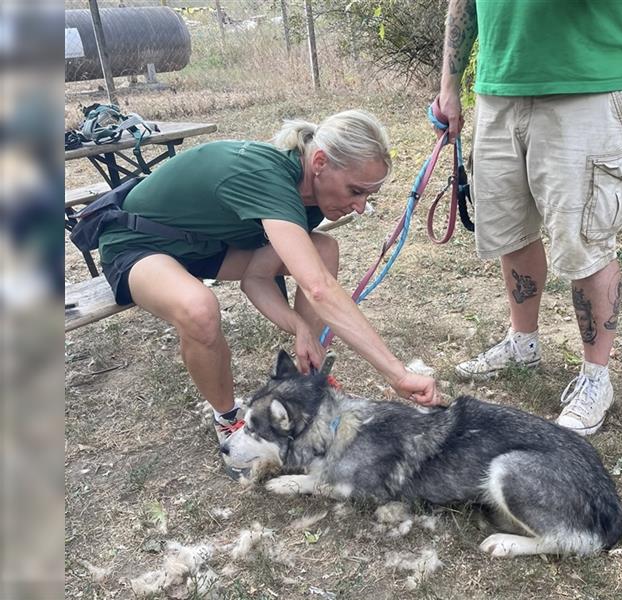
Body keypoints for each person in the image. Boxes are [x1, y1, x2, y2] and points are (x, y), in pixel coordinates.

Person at [96, 110, 442, 476]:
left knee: (324, 250)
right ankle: (228, 419)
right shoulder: (269, 177)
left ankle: (305, 372)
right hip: (137, 242)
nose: (358, 207)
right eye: (355, 191)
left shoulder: (309, 193)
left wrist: (300, 328)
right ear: (320, 162)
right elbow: (319, 288)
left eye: (367, 195)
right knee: (198, 308)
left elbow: (256, 279)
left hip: (204, 246)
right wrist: (397, 373)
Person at [437, 1, 622, 435]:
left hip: (587, 85)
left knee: (585, 242)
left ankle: (596, 379)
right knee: (510, 230)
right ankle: (523, 343)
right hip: (499, 86)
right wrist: (449, 82)